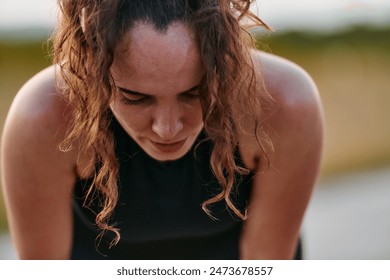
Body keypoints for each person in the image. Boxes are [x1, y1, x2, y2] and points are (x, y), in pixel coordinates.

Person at [0, 0, 323, 260]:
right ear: (92, 67)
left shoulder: (283, 102)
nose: (167, 129)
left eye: (194, 93)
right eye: (134, 98)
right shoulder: (44, 114)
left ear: (226, 62)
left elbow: (266, 261)